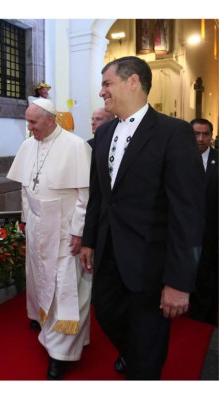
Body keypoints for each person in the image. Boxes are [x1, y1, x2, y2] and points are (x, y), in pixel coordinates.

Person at [79, 56, 205, 380]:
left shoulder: (173, 133)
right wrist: (89, 241)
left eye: (107, 83)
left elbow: (187, 213)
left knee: (148, 349)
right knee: (105, 313)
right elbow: (100, 197)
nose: (102, 92)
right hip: (109, 257)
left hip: (151, 262)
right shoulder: (104, 134)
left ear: (132, 81)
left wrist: (179, 282)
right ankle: (132, 355)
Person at [7, 97, 92, 380]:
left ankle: (60, 353)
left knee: (65, 285)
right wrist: (23, 217)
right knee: (37, 275)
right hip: (36, 224)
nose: (29, 127)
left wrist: (80, 231)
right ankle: (39, 316)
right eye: (28, 121)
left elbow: (85, 195)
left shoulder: (76, 146)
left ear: (50, 120)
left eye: (33, 122)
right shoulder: (28, 144)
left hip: (65, 229)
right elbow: (24, 187)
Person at [189, 118, 218, 325]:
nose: (200, 139)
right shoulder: (177, 159)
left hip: (211, 233)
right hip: (182, 233)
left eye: (205, 134)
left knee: (207, 278)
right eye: (196, 134)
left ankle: (204, 322)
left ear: (211, 136)